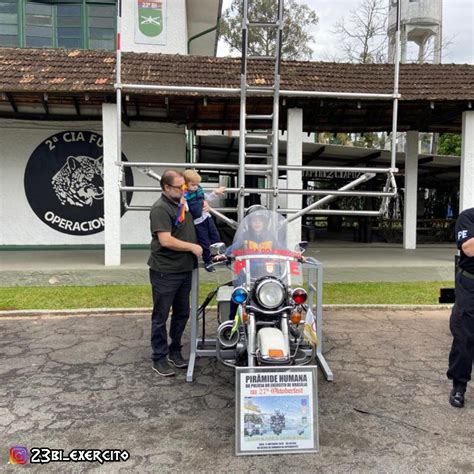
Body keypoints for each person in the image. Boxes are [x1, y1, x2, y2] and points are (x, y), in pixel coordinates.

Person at [148, 169, 203, 377]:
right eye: (180, 187)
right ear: (166, 187)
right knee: (161, 315)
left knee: (182, 313)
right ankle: (159, 358)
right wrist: (192, 247)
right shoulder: (160, 209)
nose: (184, 189)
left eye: (184, 185)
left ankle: (175, 350)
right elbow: (166, 240)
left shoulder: (182, 203)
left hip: (184, 269)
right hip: (166, 271)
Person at [447, 206, 474, 407]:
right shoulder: (468, 217)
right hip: (470, 284)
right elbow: (468, 249)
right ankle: (459, 386)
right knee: (465, 336)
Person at [183, 169, 226, 272]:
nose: (196, 187)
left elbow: (208, 198)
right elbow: (184, 208)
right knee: (204, 241)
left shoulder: (199, 190)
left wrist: (216, 192)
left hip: (207, 217)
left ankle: (218, 255)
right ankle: (208, 261)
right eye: (193, 185)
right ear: (185, 184)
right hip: (197, 222)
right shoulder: (184, 196)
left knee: (215, 235)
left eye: (197, 184)